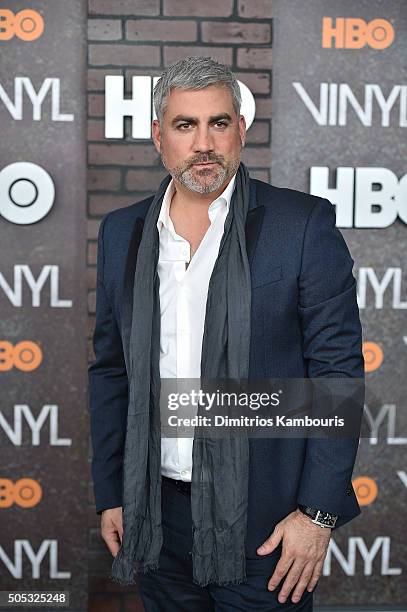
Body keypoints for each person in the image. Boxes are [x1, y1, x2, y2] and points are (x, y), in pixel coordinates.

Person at [88, 56, 364, 611]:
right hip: (156, 515)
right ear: (158, 137)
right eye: (185, 125)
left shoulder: (301, 225)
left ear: (241, 129)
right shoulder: (124, 232)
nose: (204, 143)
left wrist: (317, 513)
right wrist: (113, 491)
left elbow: (336, 375)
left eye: (219, 123)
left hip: (267, 523)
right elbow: (112, 370)